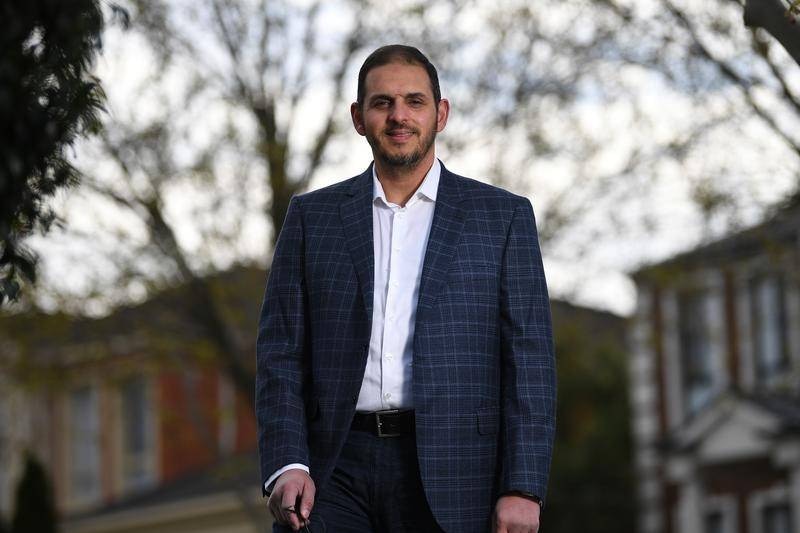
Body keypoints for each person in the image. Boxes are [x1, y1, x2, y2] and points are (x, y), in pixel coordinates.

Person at [256, 44, 556, 533]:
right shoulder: (312, 219)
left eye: (414, 102)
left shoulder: (501, 218)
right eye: (382, 103)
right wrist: (287, 462)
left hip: (458, 471)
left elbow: (531, 364)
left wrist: (522, 486)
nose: (399, 116)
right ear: (359, 117)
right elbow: (280, 352)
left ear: (440, 114)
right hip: (332, 473)